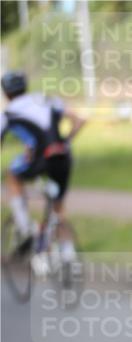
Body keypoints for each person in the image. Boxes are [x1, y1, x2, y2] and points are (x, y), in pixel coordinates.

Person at [1, 70, 86, 274]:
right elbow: (80, 120)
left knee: (12, 176)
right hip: (63, 157)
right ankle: (68, 252)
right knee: (58, 206)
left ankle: (24, 226)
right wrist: (65, 141)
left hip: (39, 159)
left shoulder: (9, 112)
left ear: (6, 92)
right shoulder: (47, 100)